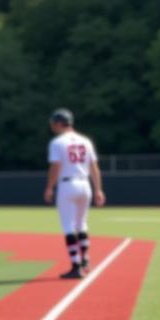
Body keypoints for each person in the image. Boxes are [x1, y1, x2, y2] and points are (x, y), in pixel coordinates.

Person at [43, 108, 106, 279]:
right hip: (85, 184)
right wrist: (98, 189)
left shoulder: (58, 142)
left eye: (53, 123)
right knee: (82, 224)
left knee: (68, 226)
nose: (52, 126)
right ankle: (85, 260)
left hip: (67, 184)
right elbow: (94, 167)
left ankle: (76, 265)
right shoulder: (85, 141)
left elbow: (55, 167)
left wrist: (49, 187)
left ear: (58, 123)